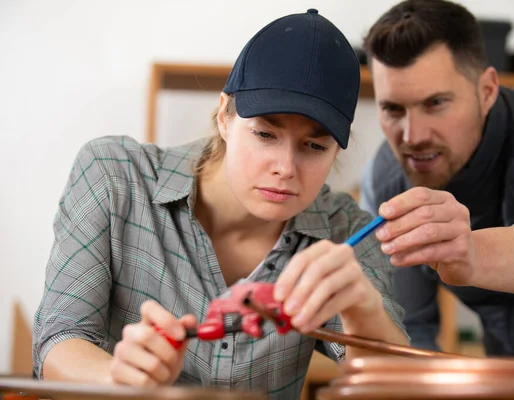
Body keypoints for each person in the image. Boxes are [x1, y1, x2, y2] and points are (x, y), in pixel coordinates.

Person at [32, 9, 408, 400]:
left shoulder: (346, 231)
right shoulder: (114, 177)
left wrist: (363, 309)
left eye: (314, 146)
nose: (285, 168)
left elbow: (391, 388)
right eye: (265, 134)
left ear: (338, 144)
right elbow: (59, 340)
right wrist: (117, 376)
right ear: (225, 114)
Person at [360, 0, 514, 358]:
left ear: (487, 90)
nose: (413, 136)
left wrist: (470, 255)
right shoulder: (387, 179)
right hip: (508, 376)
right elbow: (411, 335)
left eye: (436, 103)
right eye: (393, 109)